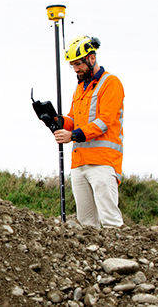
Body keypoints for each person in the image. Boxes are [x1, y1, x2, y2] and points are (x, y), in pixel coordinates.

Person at [54, 35, 124, 228]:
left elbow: (104, 122)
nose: (75, 69)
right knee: (86, 224)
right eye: (72, 65)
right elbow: (74, 119)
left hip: (102, 162)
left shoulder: (111, 83)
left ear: (91, 58)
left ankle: (118, 258)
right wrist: (56, 120)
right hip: (79, 162)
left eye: (78, 64)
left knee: (109, 220)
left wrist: (72, 136)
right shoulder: (79, 89)